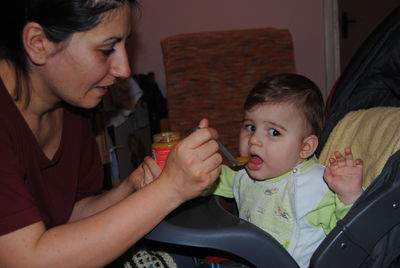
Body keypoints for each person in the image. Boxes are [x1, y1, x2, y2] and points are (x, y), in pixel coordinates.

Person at [0, 1, 222, 267]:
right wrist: (170, 189)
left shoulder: (73, 104)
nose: (124, 70)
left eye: (125, 45)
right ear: (38, 43)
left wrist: (133, 186)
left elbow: (70, 214)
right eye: (107, 50)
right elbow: (28, 260)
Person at [203, 73, 363, 268]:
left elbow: (354, 236)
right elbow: (207, 179)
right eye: (250, 126)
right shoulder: (242, 175)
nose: (254, 140)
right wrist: (188, 173)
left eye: (274, 132)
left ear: (305, 147)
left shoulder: (317, 186)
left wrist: (348, 196)